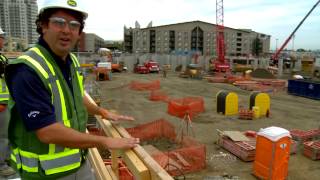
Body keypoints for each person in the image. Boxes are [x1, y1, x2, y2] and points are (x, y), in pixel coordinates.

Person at [5, 0, 139, 179]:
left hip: (78, 162)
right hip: (45, 173)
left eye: (74, 25)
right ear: (43, 26)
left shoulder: (72, 61)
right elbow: (46, 132)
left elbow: (77, 95)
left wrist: (101, 112)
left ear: (79, 33)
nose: (67, 30)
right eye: (59, 22)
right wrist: (106, 141)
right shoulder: (28, 69)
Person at [0, 27, 16, 177]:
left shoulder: (2, 58)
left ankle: (6, 159)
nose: (2, 40)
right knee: (2, 137)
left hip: (5, 104)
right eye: (0, 37)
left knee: (6, 135)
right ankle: (1, 166)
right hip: (0, 105)